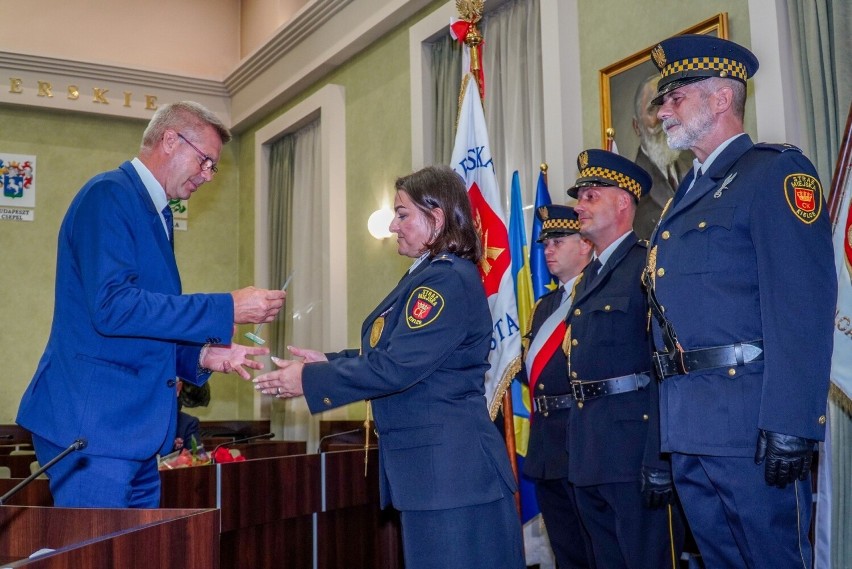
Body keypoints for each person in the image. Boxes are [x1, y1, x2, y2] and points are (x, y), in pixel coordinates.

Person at [251, 164, 525, 569]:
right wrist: (330, 361)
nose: (395, 226)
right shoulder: (427, 277)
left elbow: (396, 367)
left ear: (437, 218)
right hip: (437, 475)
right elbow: (398, 353)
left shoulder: (443, 282)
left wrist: (310, 379)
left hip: (451, 477)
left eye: (403, 214)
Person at [16, 101, 286, 508]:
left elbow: (141, 322)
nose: (208, 176)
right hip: (94, 428)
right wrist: (227, 306)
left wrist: (203, 354)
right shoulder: (109, 195)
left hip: (133, 432)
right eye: (206, 162)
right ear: (171, 140)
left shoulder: (155, 212)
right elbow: (113, 307)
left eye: (213, 167)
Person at [646, 35, 836, 568]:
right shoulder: (684, 195)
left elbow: (802, 303)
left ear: (720, 99)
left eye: (675, 96)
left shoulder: (774, 172)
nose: (663, 110)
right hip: (691, 422)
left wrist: (793, 421)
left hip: (751, 423)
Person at [566, 149, 684, 568]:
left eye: (591, 196)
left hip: (635, 452)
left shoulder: (647, 267)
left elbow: (664, 368)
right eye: (580, 197)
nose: (578, 206)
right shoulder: (588, 279)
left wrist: (659, 459)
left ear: (622, 202)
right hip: (590, 452)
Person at [521, 205, 595, 569]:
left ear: (585, 244)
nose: (547, 250)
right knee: (567, 552)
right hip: (547, 444)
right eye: (545, 243)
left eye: (558, 241)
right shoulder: (544, 306)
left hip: (584, 437)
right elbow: (532, 372)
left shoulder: (597, 294)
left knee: (597, 548)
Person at [631, 74, 692, 239]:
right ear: (636, 127)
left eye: (673, 102)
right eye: (652, 108)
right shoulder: (632, 189)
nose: (663, 115)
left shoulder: (694, 166)